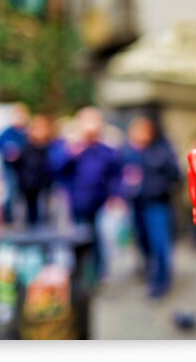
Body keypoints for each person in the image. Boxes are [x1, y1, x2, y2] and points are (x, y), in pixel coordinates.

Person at [119, 114, 181, 298]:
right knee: (143, 242)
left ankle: (161, 280)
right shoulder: (128, 151)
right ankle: (149, 272)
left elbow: (175, 176)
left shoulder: (161, 150)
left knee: (159, 243)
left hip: (157, 204)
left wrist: (160, 188)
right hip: (137, 204)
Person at [56, 107, 122, 280]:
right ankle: (80, 274)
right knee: (77, 241)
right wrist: (72, 152)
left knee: (99, 240)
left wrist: (115, 195)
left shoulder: (106, 149)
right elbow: (57, 169)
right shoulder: (70, 147)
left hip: (99, 203)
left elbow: (115, 173)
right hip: (75, 203)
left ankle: (98, 273)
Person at [9, 115, 54, 227]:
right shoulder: (26, 145)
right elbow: (19, 163)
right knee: (30, 210)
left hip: (44, 183)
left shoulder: (50, 147)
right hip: (29, 182)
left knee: (45, 210)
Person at [0, 103, 29, 224]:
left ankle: (24, 217)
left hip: (23, 167)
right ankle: (7, 217)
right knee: (10, 190)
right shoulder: (7, 132)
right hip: (9, 167)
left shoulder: (25, 132)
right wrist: (7, 151)